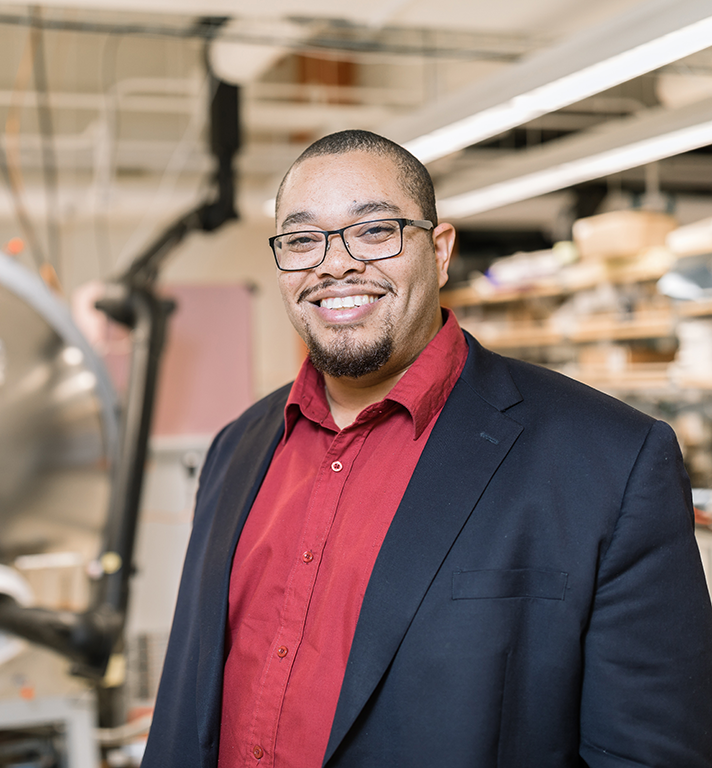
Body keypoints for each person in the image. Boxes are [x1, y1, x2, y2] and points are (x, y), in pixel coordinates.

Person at [140, 129, 712, 768]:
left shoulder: (611, 461)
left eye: (375, 231)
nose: (334, 265)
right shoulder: (236, 449)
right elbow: (187, 709)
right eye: (303, 240)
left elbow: (651, 752)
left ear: (440, 252)